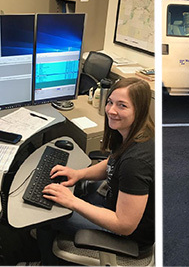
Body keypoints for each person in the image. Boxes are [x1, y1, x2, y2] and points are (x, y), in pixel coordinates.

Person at [36, 77, 154, 265]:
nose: (111, 110)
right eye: (110, 102)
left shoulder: (136, 162)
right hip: (116, 204)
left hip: (129, 237)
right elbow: (111, 162)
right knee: (68, 196)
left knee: (48, 215)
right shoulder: (133, 134)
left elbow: (124, 225)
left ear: (138, 110)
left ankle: (46, 262)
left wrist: (72, 201)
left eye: (122, 106)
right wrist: (79, 174)